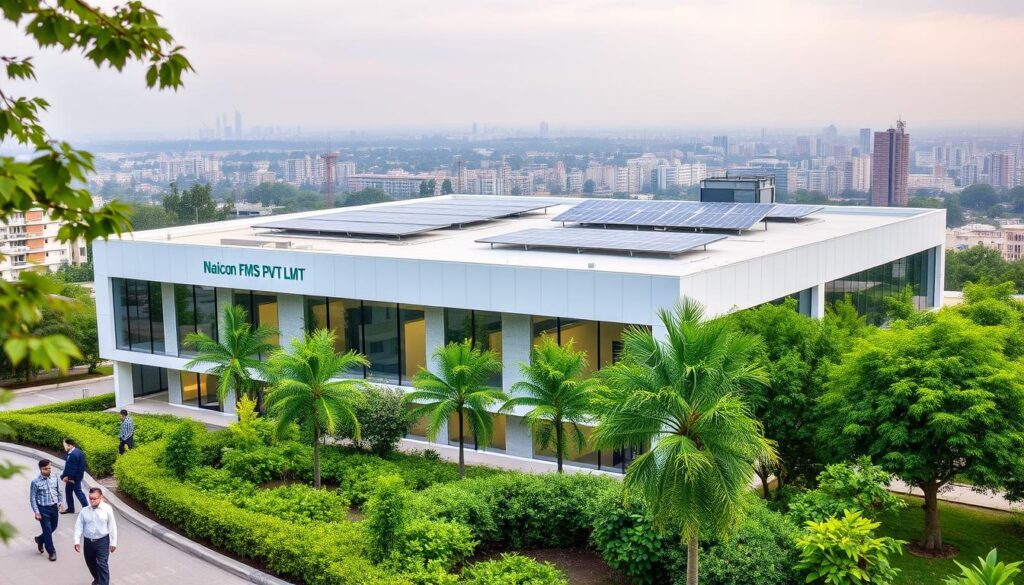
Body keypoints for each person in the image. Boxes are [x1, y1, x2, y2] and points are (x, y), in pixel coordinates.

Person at [74, 487, 118, 585]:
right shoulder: (84, 511)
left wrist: (113, 542)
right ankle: (98, 580)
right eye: (90, 498)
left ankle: (103, 583)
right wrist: (76, 541)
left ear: (101, 497)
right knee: (91, 564)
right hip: (88, 542)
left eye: (95, 498)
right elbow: (79, 526)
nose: (92, 501)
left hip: (102, 541)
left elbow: (112, 525)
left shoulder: (107, 509)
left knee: (102, 564)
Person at [29, 458, 65, 561]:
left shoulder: (54, 477)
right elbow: (32, 498)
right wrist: (36, 512)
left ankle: (40, 539)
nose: (49, 470)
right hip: (43, 509)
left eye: (50, 468)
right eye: (46, 469)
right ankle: (51, 551)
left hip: (53, 507)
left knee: (54, 526)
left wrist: (59, 503)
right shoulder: (35, 482)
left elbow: (58, 491)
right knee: (47, 530)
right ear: (41, 469)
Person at [61, 438, 88, 514]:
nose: (64, 447)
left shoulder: (73, 454)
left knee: (77, 492)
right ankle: (72, 508)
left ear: (69, 445)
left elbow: (72, 468)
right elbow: (68, 466)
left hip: (74, 478)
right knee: (70, 492)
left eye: (65, 445)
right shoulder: (77, 452)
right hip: (76, 477)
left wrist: (68, 477)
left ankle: (86, 508)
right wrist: (63, 475)